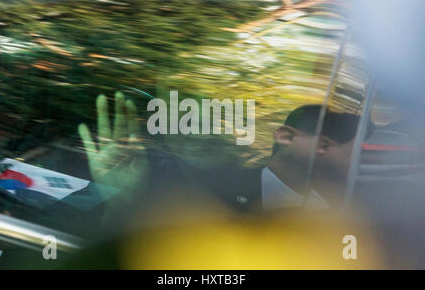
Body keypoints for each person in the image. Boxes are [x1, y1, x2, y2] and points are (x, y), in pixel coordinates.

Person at [77, 93, 363, 230]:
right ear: (284, 137)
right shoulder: (196, 195)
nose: (198, 136)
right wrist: (122, 206)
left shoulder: (351, 217)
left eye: (214, 125)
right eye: (184, 127)